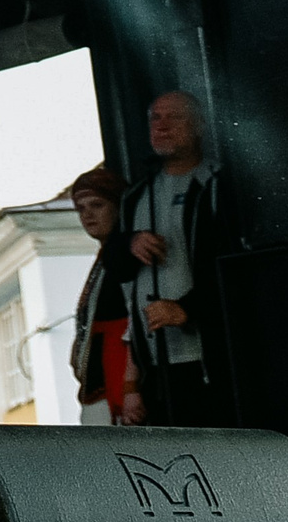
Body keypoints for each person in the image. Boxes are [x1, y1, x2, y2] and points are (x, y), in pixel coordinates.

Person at [100, 92, 234, 426]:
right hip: (154, 364)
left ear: (198, 125)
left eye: (174, 117)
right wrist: (130, 243)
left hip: (208, 358)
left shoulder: (217, 184)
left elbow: (232, 269)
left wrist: (188, 308)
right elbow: (113, 266)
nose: (162, 126)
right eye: (155, 118)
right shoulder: (136, 196)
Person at [65, 166, 132, 423]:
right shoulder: (104, 258)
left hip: (118, 386)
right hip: (97, 384)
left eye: (97, 205)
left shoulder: (123, 256)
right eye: (81, 209)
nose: (88, 215)